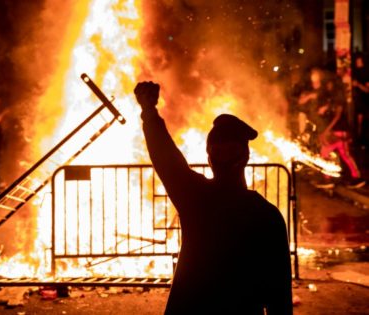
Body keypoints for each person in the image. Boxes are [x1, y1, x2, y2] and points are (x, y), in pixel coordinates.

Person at [134, 81, 293, 314]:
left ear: (209, 159)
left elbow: (167, 160)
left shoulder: (196, 198)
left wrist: (149, 112)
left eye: (225, 152)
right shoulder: (267, 215)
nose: (224, 159)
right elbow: (279, 297)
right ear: (246, 158)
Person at [314, 74, 366, 189]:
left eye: (329, 83)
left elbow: (338, 115)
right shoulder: (333, 98)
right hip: (337, 131)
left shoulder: (338, 98)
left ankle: (352, 178)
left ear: (333, 84)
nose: (327, 85)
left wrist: (327, 130)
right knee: (339, 154)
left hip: (340, 131)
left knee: (334, 153)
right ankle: (354, 177)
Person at [352, 54, 369, 147]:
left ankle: (362, 141)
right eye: (356, 62)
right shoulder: (355, 73)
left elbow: (367, 90)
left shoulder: (366, 74)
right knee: (357, 122)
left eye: (359, 61)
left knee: (362, 123)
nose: (357, 63)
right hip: (356, 101)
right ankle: (358, 141)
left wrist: (358, 84)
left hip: (364, 102)